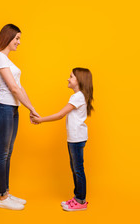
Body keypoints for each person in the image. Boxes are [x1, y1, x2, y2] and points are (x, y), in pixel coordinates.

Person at [0, 24, 40, 210]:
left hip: (12, 109)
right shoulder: (0, 57)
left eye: (19, 39)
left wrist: (29, 108)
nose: (19, 42)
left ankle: (6, 193)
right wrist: (31, 108)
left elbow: (20, 87)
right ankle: (1, 198)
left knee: (7, 153)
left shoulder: (7, 60)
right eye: (16, 38)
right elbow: (13, 88)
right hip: (3, 108)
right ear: (7, 37)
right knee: (2, 154)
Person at [32, 68, 93, 211]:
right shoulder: (79, 96)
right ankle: (78, 197)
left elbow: (60, 115)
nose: (68, 79)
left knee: (78, 169)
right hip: (76, 137)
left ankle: (81, 201)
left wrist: (40, 120)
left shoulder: (77, 97)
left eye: (71, 77)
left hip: (76, 138)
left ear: (79, 80)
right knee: (75, 168)